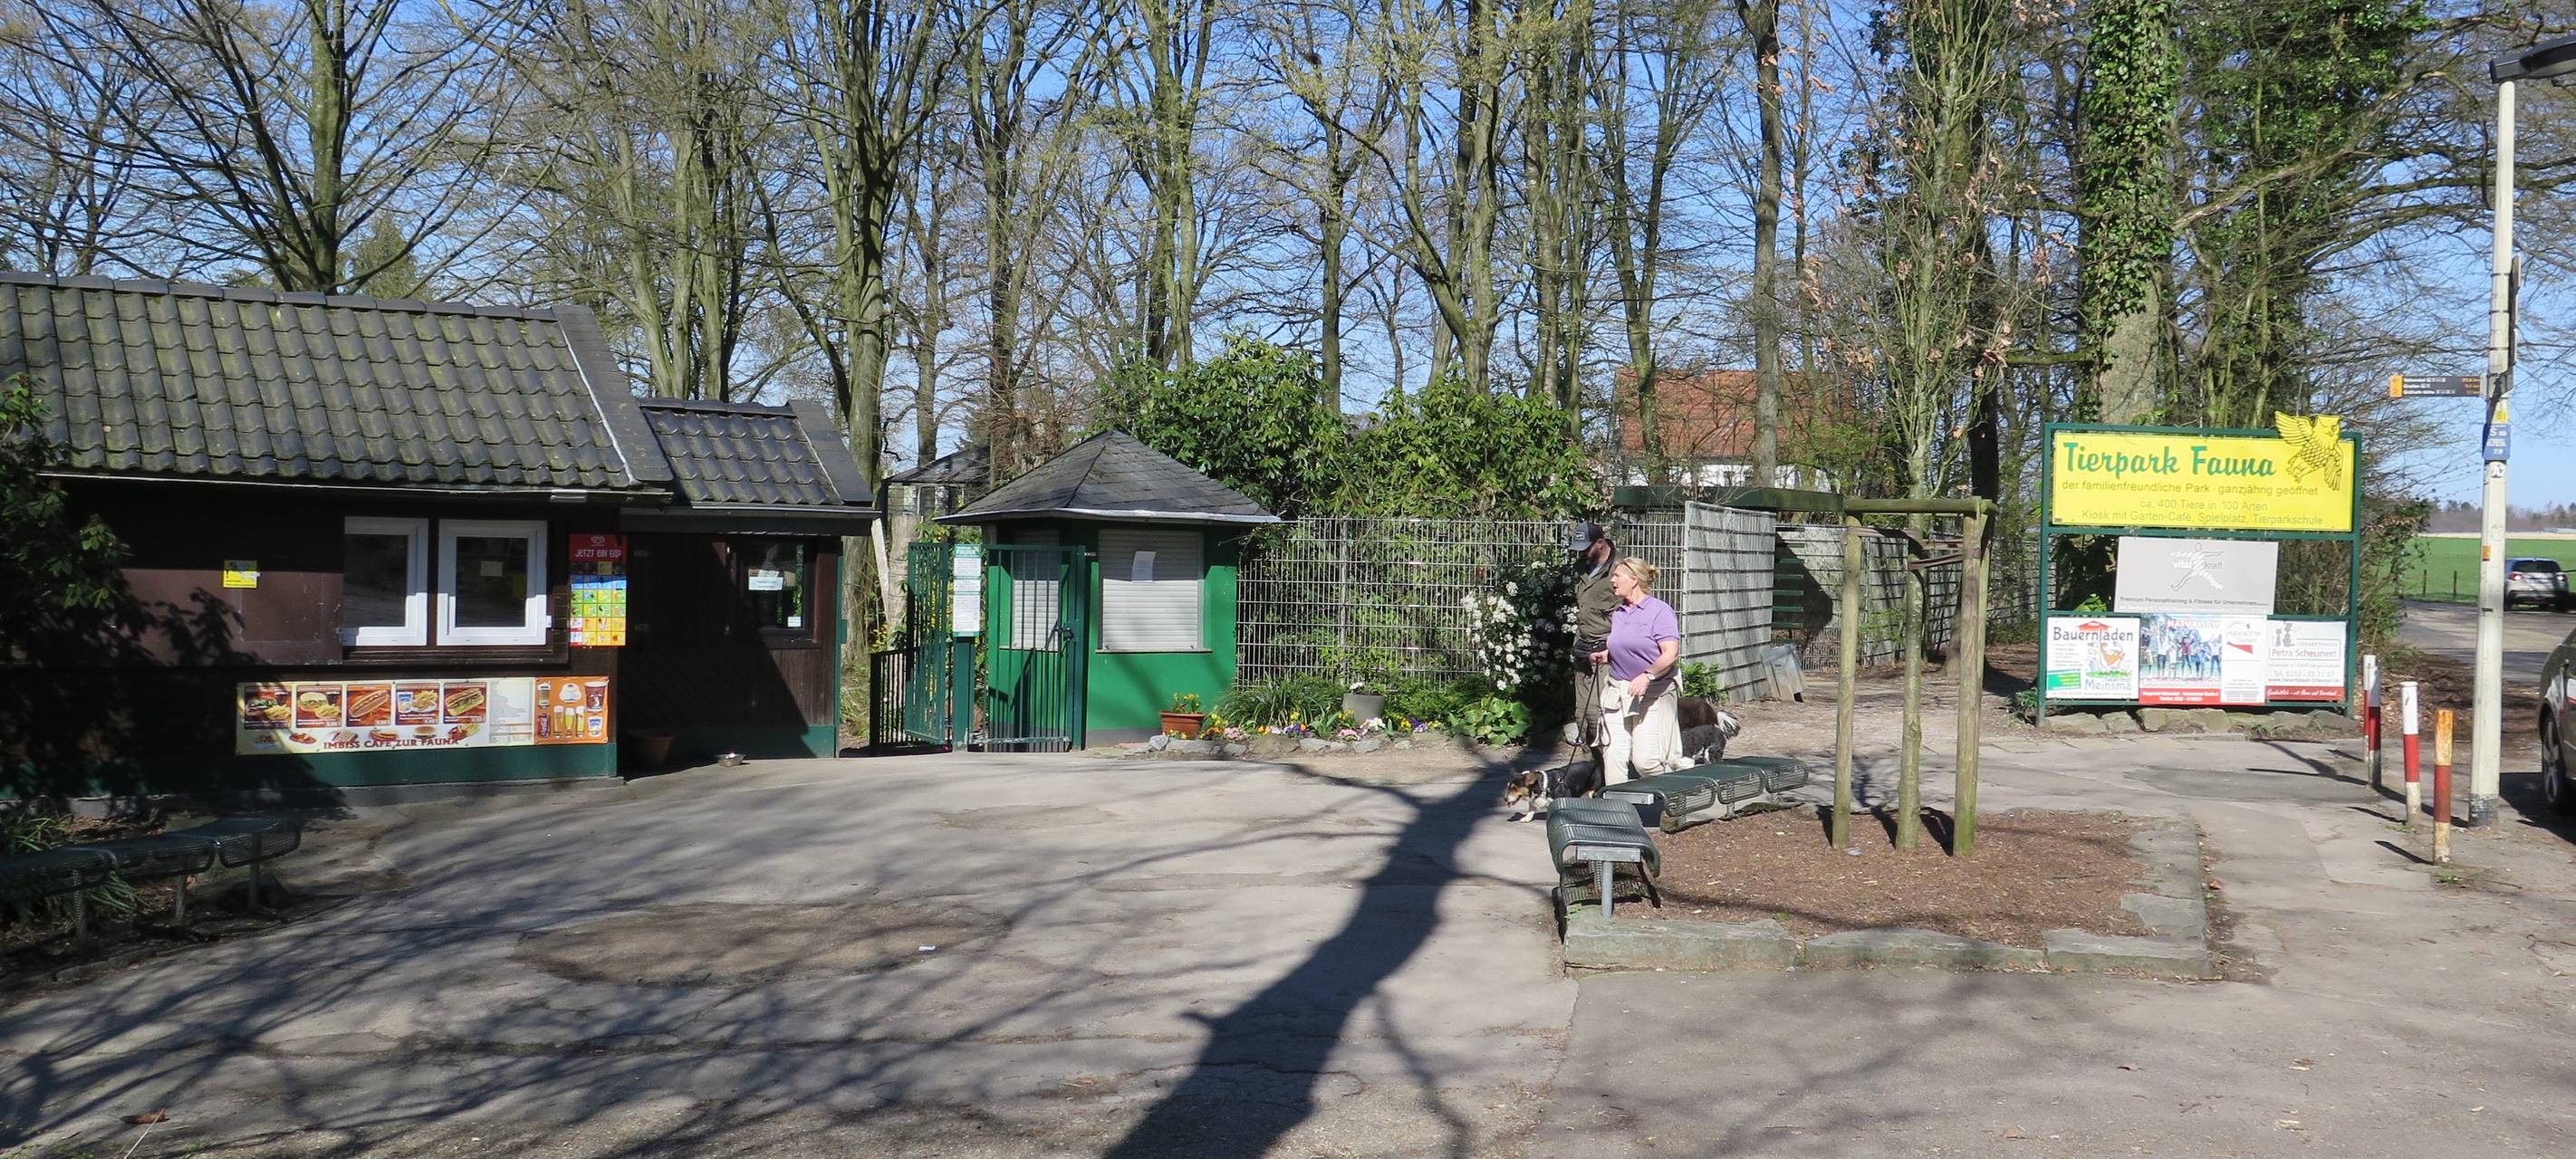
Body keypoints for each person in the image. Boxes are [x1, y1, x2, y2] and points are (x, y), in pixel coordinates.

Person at [1592, 558, 1681, 785]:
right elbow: (1626, 646)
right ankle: (1617, 814)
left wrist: (1648, 675)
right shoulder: (1619, 612)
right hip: (1618, 690)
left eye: (1617, 576)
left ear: (1634, 580)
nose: (1612, 580)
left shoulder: (1659, 611)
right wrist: (1607, 656)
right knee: (1612, 756)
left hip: (1653, 693)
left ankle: (1678, 793)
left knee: (1646, 762)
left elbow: (1670, 653)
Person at [1565, 521, 1620, 767]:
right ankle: (1591, 772)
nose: (1581, 552)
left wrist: (1615, 647)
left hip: (1607, 651)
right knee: (1582, 716)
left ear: (1601, 543)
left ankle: (1608, 770)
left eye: (1586, 547)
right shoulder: (1583, 567)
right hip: (1583, 649)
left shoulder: (1621, 570)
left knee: (1598, 714)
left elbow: (1632, 611)